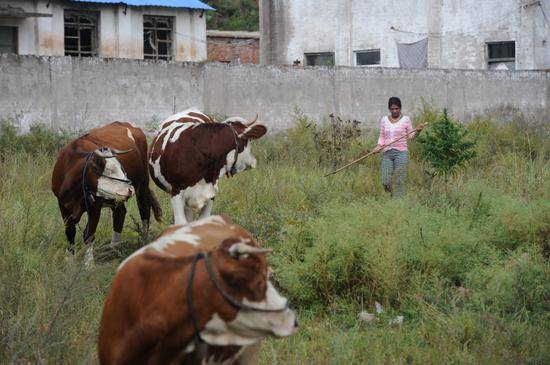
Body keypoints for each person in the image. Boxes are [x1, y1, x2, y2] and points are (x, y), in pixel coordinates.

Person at [373, 97, 426, 198]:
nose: (394, 111)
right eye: (392, 109)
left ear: (400, 108)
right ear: (389, 109)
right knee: (385, 180)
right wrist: (378, 146)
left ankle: (398, 203)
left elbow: (411, 137)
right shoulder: (384, 120)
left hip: (401, 153)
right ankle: (390, 196)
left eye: (397, 108)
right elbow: (382, 136)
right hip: (387, 153)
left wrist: (418, 131)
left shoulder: (406, 120)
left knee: (399, 180)